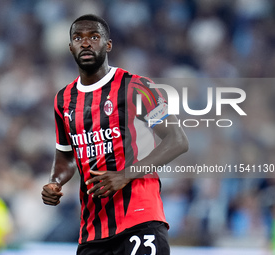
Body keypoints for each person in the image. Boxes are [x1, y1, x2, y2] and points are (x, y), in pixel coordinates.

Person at [42, 14, 189, 255]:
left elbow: (177, 139)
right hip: (93, 231)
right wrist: (55, 182)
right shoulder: (63, 100)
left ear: (108, 44)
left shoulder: (137, 87)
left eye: (94, 36)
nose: (86, 43)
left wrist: (125, 175)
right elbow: (66, 155)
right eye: (78, 38)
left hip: (141, 221)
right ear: (71, 47)